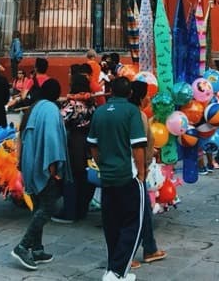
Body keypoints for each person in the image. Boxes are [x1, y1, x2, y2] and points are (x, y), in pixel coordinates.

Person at [87, 76, 147, 281]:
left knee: (111, 224)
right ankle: (117, 271)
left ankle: (113, 268)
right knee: (133, 224)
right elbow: (138, 145)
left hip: (107, 175)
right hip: (127, 175)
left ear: (110, 91)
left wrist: (102, 164)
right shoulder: (132, 112)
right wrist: (141, 173)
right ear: (130, 93)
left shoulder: (100, 111)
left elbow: (93, 145)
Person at [11, 78, 69, 271]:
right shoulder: (51, 110)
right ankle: (23, 246)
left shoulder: (33, 108)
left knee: (38, 207)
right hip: (42, 164)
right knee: (48, 207)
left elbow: (22, 136)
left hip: (29, 162)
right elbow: (51, 141)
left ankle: (37, 249)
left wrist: (20, 162)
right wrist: (53, 167)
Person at [128, 80, 166, 268]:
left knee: (144, 212)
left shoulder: (131, 113)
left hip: (134, 168)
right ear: (141, 97)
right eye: (147, 95)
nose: (149, 98)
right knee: (137, 213)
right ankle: (130, 254)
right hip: (137, 170)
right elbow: (140, 146)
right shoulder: (138, 116)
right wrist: (143, 169)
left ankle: (150, 247)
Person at [53, 72, 96, 224]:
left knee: (71, 177)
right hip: (88, 143)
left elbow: (60, 119)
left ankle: (69, 211)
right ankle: (81, 209)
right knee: (84, 178)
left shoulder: (73, 105)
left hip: (74, 142)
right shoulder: (91, 103)